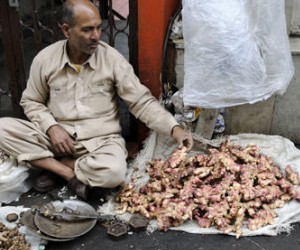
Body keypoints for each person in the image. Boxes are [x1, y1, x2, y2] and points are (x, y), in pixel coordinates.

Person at [0, 0, 193, 201]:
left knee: (114, 173)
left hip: (101, 141)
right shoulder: (46, 59)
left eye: (99, 28)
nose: (96, 36)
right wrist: (51, 128)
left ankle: (58, 167)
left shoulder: (111, 59)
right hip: (57, 138)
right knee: (2, 128)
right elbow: (31, 101)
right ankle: (66, 172)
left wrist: (174, 128)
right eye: (87, 30)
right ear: (67, 30)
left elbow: (141, 101)